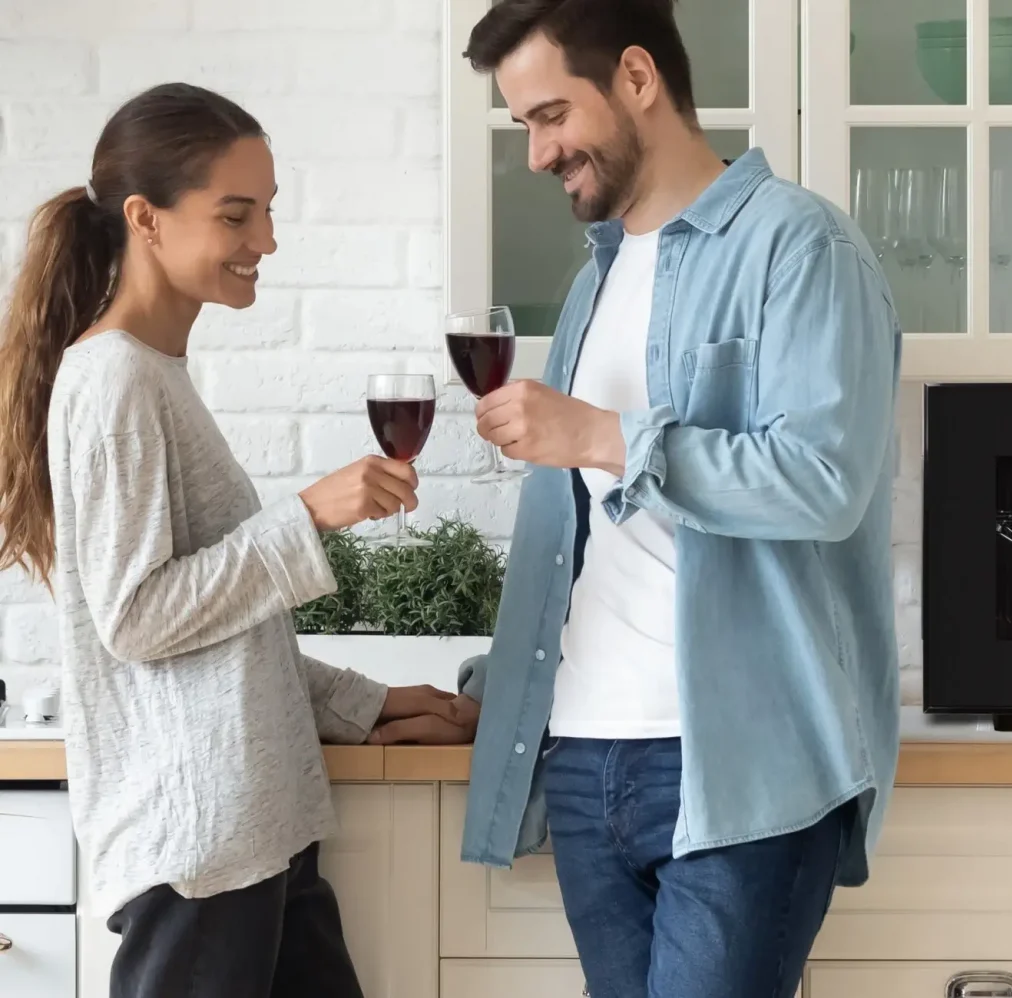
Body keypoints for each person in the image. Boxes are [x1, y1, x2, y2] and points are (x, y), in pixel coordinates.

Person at [436, 1, 902, 994]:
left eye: (551, 115)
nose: (537, 153)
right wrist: (495, 690)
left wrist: (602, 436)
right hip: (584, 752)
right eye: (524, 124)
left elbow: (824, 481)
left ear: (638, 78)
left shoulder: (800, 245)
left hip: (736, 766)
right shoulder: (594, 280)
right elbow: (591, 547)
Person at [0, 82, 474, 998]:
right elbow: (137, 618)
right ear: (146, 219)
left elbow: (221, 640)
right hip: (200, 852)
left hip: (253, 836)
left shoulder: (155, 375)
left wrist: (363, 703)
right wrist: (308, 515)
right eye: (236, 214)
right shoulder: (114, 382)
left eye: (268, 211)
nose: (267, 240)